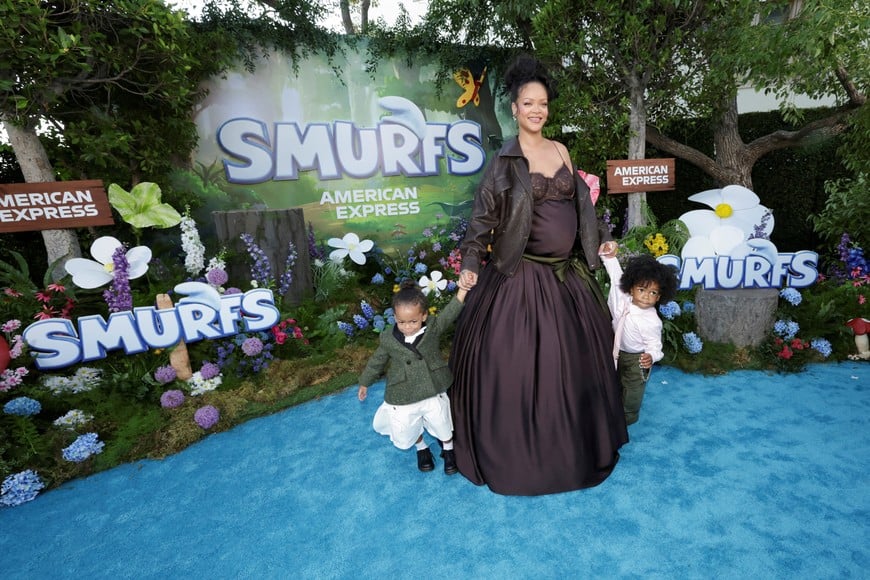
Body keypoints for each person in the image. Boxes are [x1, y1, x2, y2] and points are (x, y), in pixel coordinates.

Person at [449, 54, 628, 496]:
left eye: (543, 103)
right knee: (518, 367)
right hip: (520, 278)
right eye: (528, 103)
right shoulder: (503, 161)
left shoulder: (562, 150)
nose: (536, 110)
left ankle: (578, 449)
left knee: (578, 364)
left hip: (567, 278)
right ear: (514, 108)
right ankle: (525, 457)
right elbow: (482, 220)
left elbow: (582, 207)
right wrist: (470, 264)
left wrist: (601, 236)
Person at [358, 280, 468, 474]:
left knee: (442, 419)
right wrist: (365, 382)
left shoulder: (432, 328)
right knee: (407, 424)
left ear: (424, 316)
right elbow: (377, 361)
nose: (407, 327)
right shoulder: (388, 339)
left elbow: (449, 313)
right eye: (401, 322)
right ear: (395, 318)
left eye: (413, 322)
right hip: (403, 391)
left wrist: (463, 290)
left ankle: (449, 450)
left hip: (432, 386)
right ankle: (421, 448)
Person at [603, 254, 678, 425]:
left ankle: (628, 418)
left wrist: (651, 356)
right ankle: (613, 408)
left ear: (659, 297)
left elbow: (655, 345)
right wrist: (608, 257)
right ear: (631, 288)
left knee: (633, 391)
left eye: (653, 292)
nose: (646, 296)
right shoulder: (623, 299)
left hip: (637, 359)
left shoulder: (652, 321)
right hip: (616, 352)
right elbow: (615, 275)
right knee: (616, 383)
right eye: (641, 290)